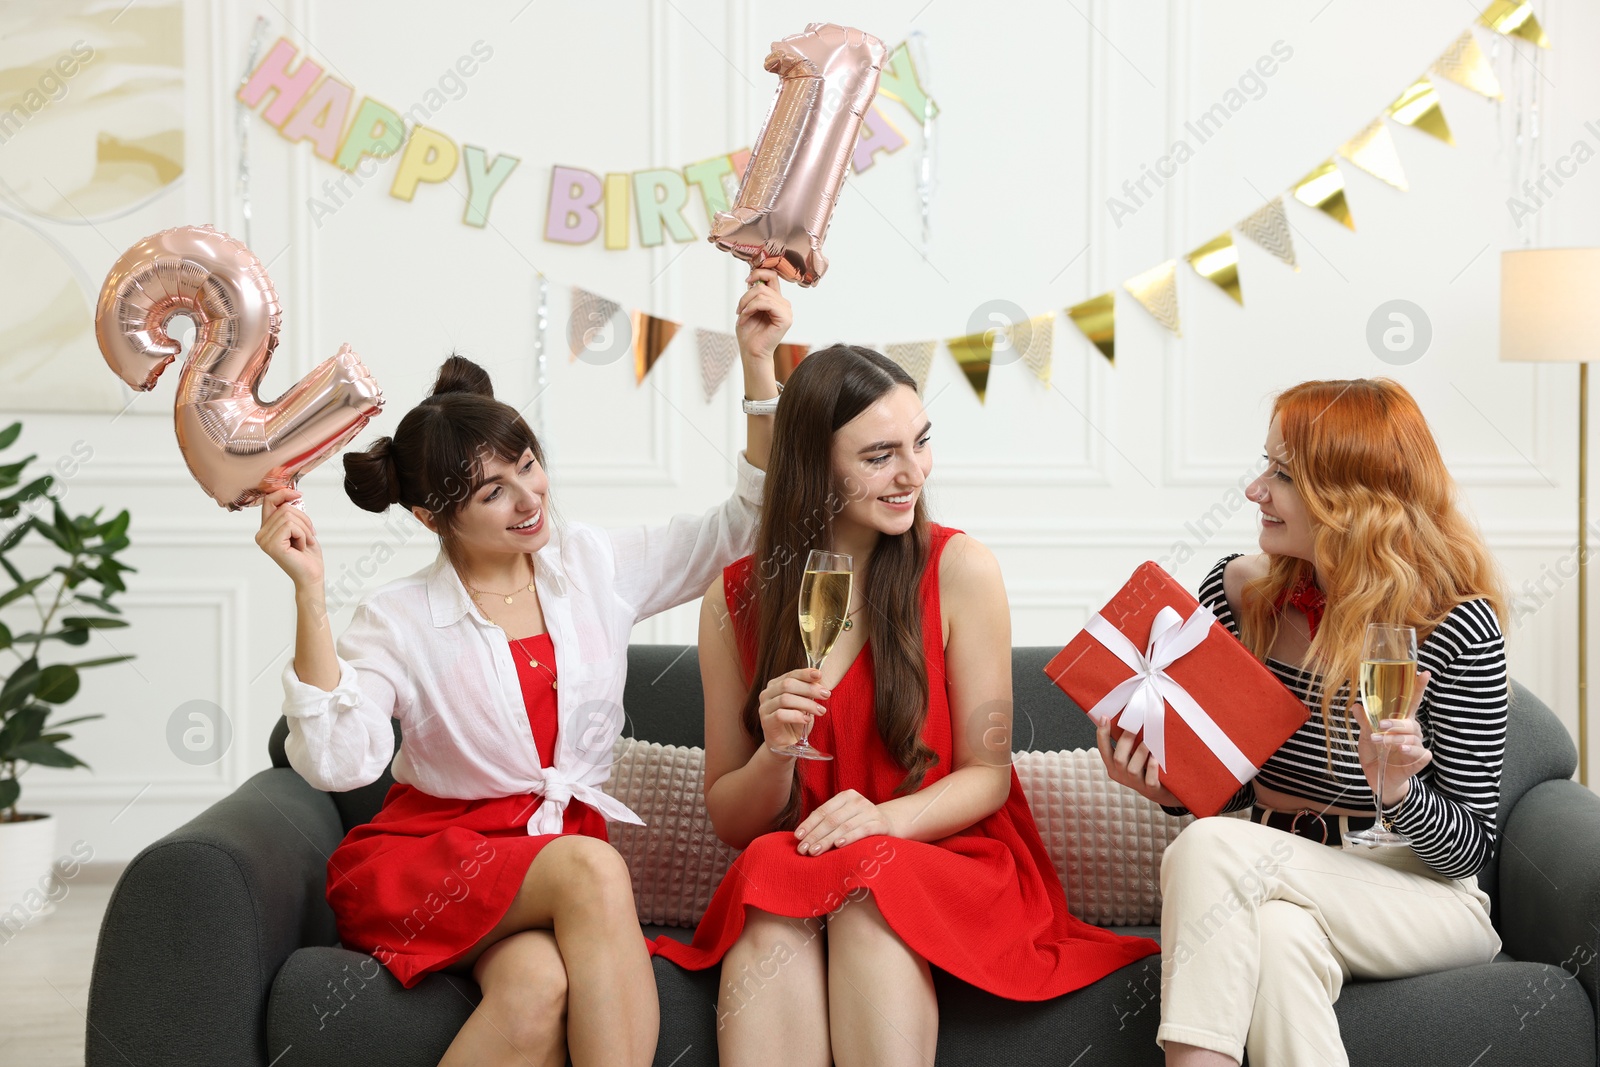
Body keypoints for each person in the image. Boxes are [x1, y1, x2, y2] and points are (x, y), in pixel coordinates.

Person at [256, 271, 793, 1067]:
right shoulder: (398, 617)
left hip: (548, 864)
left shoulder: (591, 563)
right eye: (491, 492)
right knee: (590, 865)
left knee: (538, 987)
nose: (528, 498)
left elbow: (743, 525)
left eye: (529, 464)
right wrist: (310, 593)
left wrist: (758, 367)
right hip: (432, 862)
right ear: (431, 516)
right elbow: (342, 760)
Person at [653, 345, 1161, 1066]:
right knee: (769, 870)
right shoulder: (732, 599)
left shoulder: (961, 570)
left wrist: (880, 821)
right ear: (812, 465)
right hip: (812, 855)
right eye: (879, 455)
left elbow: (985, 776)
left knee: (868, 882)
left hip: (942, 853)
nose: (912, 473)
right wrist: (774, 750)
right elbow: (732, 820)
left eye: (921, 443)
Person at [1099, 378, 1508, 1067]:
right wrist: (1167, 785)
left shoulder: (1455, 624)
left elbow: (1466, 853)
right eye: (1267, 465)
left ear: (1352, 501)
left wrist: (1400, 793)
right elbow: (1230, 791)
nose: (1256, 489)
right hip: (1267, 873)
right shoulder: (1238, 597)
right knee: (1279, 940)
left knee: (1203, 849)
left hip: (1418, 891)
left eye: (1283, 474)